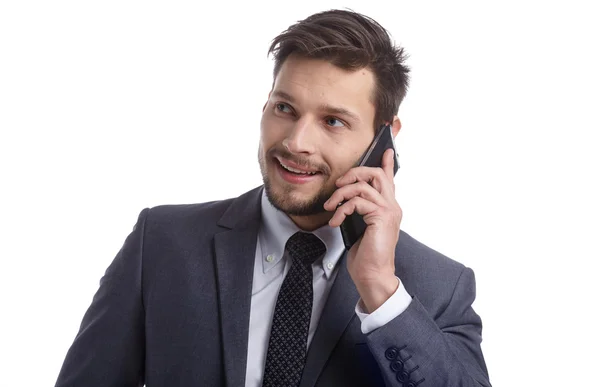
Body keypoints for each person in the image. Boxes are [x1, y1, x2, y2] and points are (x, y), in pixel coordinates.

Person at [54, 9, 491, 387]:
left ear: (385, 139)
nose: (297, 142)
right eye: (285, 108)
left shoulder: (438, 287)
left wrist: (379, 289)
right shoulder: (162, 242)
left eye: (334, 122)